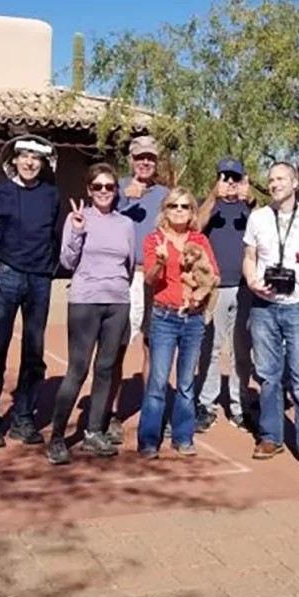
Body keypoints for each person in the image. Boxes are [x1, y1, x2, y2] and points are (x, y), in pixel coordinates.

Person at [242, 161, 299, 472]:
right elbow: (250, 257)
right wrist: (252, 281)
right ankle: (270, 436)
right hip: (264, 305)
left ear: (294, 183)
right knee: (267, 376)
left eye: (281, 179)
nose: (275, 184)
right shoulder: (258, 217)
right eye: (271, 180)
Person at [47, 164, 135, 464]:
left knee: (106, 369)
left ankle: (93, 432)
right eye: (97, 186)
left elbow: (130, 265)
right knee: (78, 369)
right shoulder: (77, 219)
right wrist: (78, 232)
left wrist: (119, 291)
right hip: (85, 302)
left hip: (118, 303)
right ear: (88, 189)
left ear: (116, 191)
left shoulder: (125, 225)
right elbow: (68, 261)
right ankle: (57, 436)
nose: (103, 192)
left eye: (109, 186)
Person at [137, 187, 219, 458]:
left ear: (193, 212)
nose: (180, 211)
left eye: (185, 206)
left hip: (193, 319)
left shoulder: (199, 241)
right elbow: (150, 279)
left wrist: (198, 296)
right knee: (158, 381)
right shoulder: (154, 239)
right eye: (174, 206)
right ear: (165, 210)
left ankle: (183, 437)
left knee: (185, 382)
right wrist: (160, 261)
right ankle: (149, 440)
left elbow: (213, 275)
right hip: (164, 316)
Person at [0, 133, 61, 447]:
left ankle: (23, 419)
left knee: (34, 353)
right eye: (25, 156)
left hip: (40, 280)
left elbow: (53, 234)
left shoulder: (51, 195)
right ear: (14, 160)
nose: (30, 162)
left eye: (36, 158)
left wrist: (50, 268)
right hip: (5, 276)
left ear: (42, 163)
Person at [111, 134, 169, 442]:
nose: (145, 162)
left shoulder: (165, 194)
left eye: (150, 158)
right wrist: (125, 202)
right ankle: (111, 414)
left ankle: (152, 410)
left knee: (152, 346)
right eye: (139, 157)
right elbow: (101, 223)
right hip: (122, 277)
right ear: (130, 160)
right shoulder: (113, 188)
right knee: (117, 347)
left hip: (154, 278)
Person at [195, 158, 254, 430]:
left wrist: (251, 202)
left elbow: (266, 234)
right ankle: (206, 404)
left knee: (242, 351)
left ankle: (240, 405)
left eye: (235, 177)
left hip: (244, 289)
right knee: (211, 348)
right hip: (216, 288)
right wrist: (212, 196)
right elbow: (195, 227)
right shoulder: (210, 204)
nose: (230, 183)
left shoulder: (251, 209)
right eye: (225, 177)